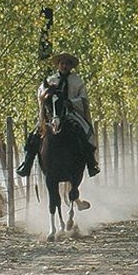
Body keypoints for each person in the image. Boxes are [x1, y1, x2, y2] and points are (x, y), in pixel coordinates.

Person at [16, 52, 101, 180]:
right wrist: (47, 97)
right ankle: (26, 164)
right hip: (52, 115)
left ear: (71, 66)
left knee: (84, 132)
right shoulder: (50, 81)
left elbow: (84, 99)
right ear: (58, 65)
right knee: (34, 135)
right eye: (62, 63)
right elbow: (41, 96)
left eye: (67, 64)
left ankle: (91, 163)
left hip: (71, 114)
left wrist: (71, 102)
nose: (64, 66)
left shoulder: (77, 82)